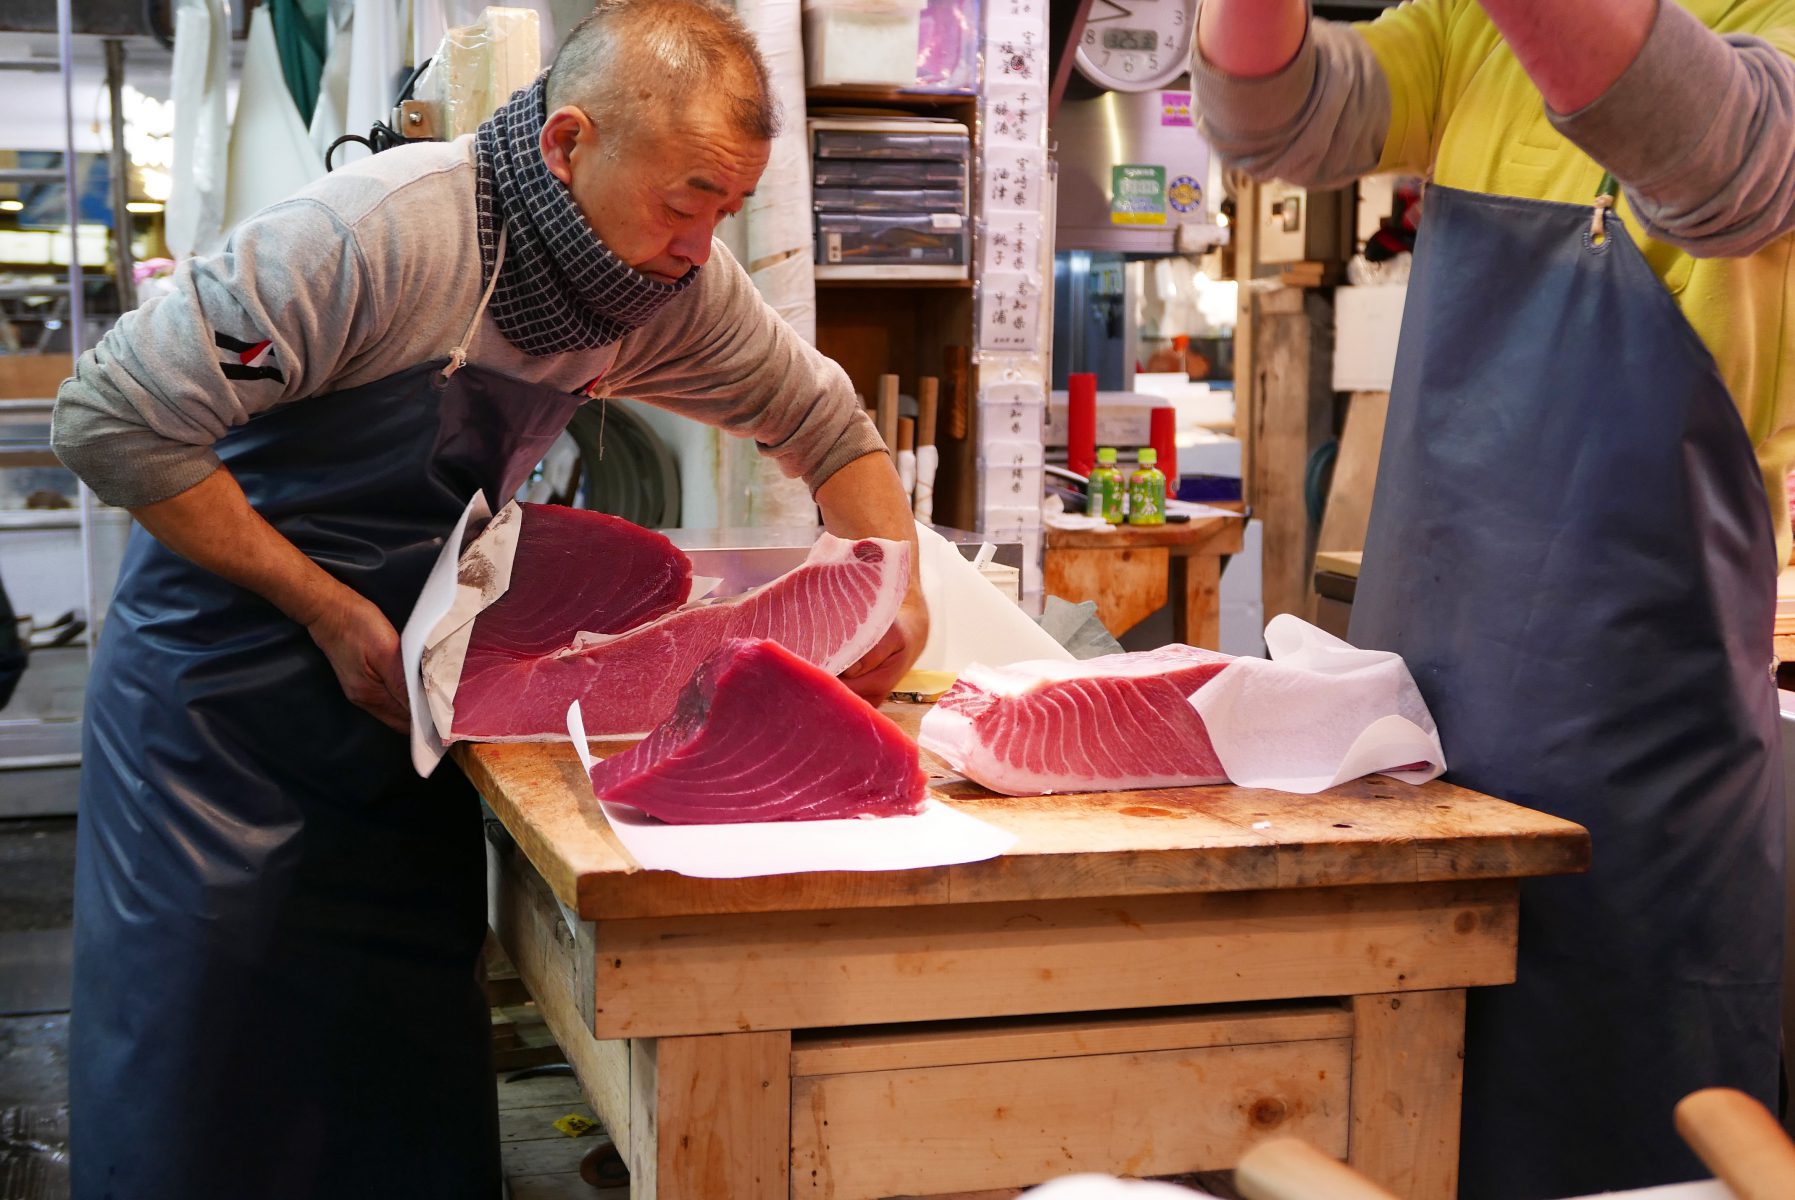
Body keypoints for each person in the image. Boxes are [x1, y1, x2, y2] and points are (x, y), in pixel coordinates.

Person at [48, 1, 926, 1195]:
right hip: (217, 711)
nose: (700, 243)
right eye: (684, 201)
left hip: (403, 700)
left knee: (397, 1072)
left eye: (727, 209)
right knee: (207, 1077)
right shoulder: (378, 236)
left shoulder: (661, 287)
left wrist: (896, 589)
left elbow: (828, 424)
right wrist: (319, 604)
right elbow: (110, 417)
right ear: (567, 143)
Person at [1193, 1, 1795, 1195]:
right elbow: (1271, 119)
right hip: (1430, 738)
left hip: (1640, 773)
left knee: (1605, 1146)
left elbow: (1710, 162)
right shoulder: (1472, 33)